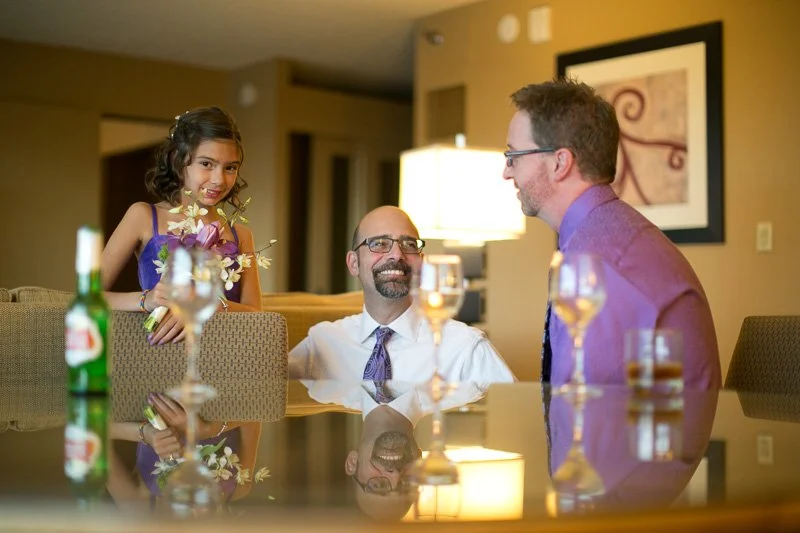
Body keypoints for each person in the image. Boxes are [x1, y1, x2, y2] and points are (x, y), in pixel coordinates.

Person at [503, 78, 720, 389]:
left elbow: (586, 416)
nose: (507, 171)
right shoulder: (606, 240)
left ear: (560, 163)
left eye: (514, 156)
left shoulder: (602, 268)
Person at [288, 205, 515, 383]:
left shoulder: (465, 348)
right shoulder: (322, 343)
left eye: (408, 244)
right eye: (379, 243)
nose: (396, 254)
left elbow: (515, 415)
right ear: (354, 263)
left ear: (421, 262)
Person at [101, 106, 263, 346]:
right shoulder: (143, 216)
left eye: (230, 167)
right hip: (160, 355)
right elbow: (87, 297)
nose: (219, 179)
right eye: (207, 164)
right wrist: (148, 300)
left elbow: (257, 314)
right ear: (178, 161)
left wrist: (214, 306)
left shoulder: (241, 235)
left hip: (228, 357)